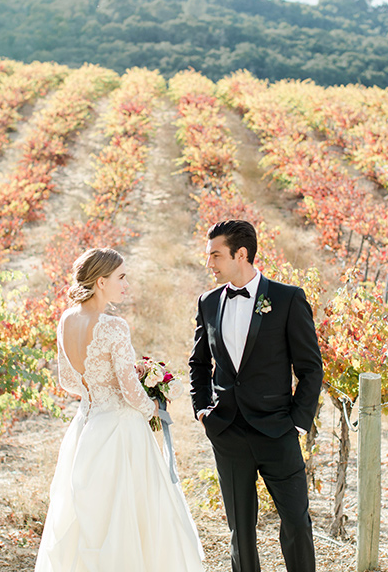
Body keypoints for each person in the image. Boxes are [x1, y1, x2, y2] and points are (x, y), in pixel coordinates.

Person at [34, 248, 205, 572]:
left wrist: (96, 390)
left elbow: (68, 381)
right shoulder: (113, 326)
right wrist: (154, 405)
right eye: (121, 277)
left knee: (89, 518)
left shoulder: (66, 320)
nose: (126, 284)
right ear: (101, 281)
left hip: (85, 426)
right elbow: (131, 392)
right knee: (130, 516)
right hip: (119, 431)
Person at [189, 220, 323, 572]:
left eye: (216, 256)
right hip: (227, 431)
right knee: (240, 531)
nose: (210, 264)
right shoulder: (207, 302)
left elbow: (310, 368)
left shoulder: (287, 298)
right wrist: (202, 410)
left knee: (296, 522)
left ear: (241, 254)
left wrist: (297, 423)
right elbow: (199, 363)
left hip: (278, 430)